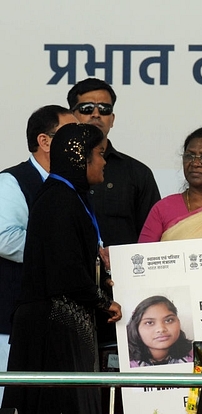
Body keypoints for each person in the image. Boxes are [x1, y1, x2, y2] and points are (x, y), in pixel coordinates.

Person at [2, 123, 123, 414]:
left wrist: (102, 280)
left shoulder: (71, 197)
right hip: (51, 328)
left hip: (62, 321)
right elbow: (65, 270)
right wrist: (103, 302)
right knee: (59, 403)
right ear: (80, 157)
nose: (104, 162)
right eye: (99, 154)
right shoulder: (58, 199)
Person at [67, 78, 160, 412]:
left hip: (121, 304)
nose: (96, 115)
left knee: (124, 397)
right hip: (67, 302)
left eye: (104, 109)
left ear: (113, 118)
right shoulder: (55, 176)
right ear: (71, 113)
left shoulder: (136, 174)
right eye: (86, 108)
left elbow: (153, 242)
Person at [0, 105, 77, 403]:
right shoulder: (12, 182)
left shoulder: (74, 185)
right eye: (70, 135)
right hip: (12, 323)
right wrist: (62, 254)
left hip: (58, 324)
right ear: (45, 142)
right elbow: (5, 239)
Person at [127, 295, 193, 367]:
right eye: (149, 323)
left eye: (169, 320)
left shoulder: (196, 357)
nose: (161, 329)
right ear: (136, 328)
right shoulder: (126, 364)